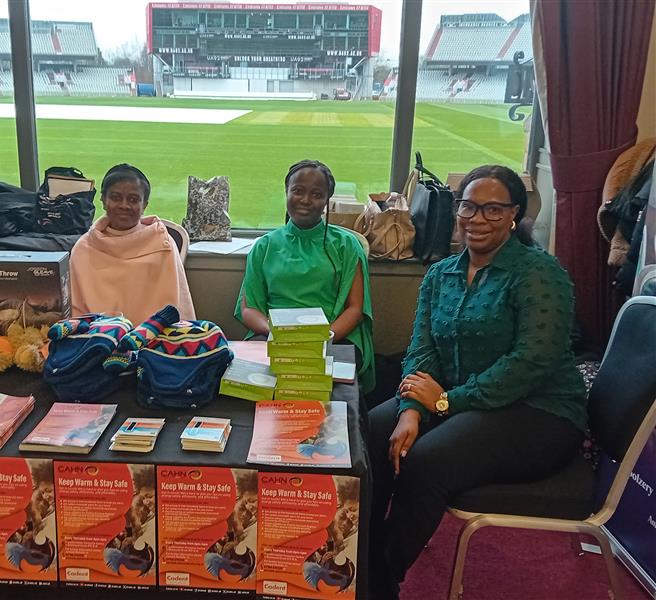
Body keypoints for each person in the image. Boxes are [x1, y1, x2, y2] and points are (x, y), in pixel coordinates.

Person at [367, 165, 587, 599]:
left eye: (493, 208)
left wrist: (446, 402)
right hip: (456, 400)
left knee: (428, 460)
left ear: (514, 215)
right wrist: (412, 408)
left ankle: (378, 578)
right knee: (373, 430)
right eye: (469, 206)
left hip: (538, 412)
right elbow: (421, 349)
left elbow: (530, 363)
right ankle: (359, 551)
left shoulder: (539, 273)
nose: (477, 217)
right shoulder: (441, 274)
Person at [235, 160, 375, 391]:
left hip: (333, 337)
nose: (306, 200)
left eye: (316, 194)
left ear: (326, 200)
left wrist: (323, 337)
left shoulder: (347, 245)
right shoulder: (265, 246)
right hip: (273, 336)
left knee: (325, 394)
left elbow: (355, 309)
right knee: (258, 388)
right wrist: (278, 334)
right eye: (298, 191)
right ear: (286, 192)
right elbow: (249, 308)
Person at [69, 163, 195, 325]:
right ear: (103, 200)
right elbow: (76, 314)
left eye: (133, 199)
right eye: (115, 197)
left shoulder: (162, 244)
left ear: (145, 205)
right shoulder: (84, 248)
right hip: (97, 341)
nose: (124, 205)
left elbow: (179, 311)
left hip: (154, 341)